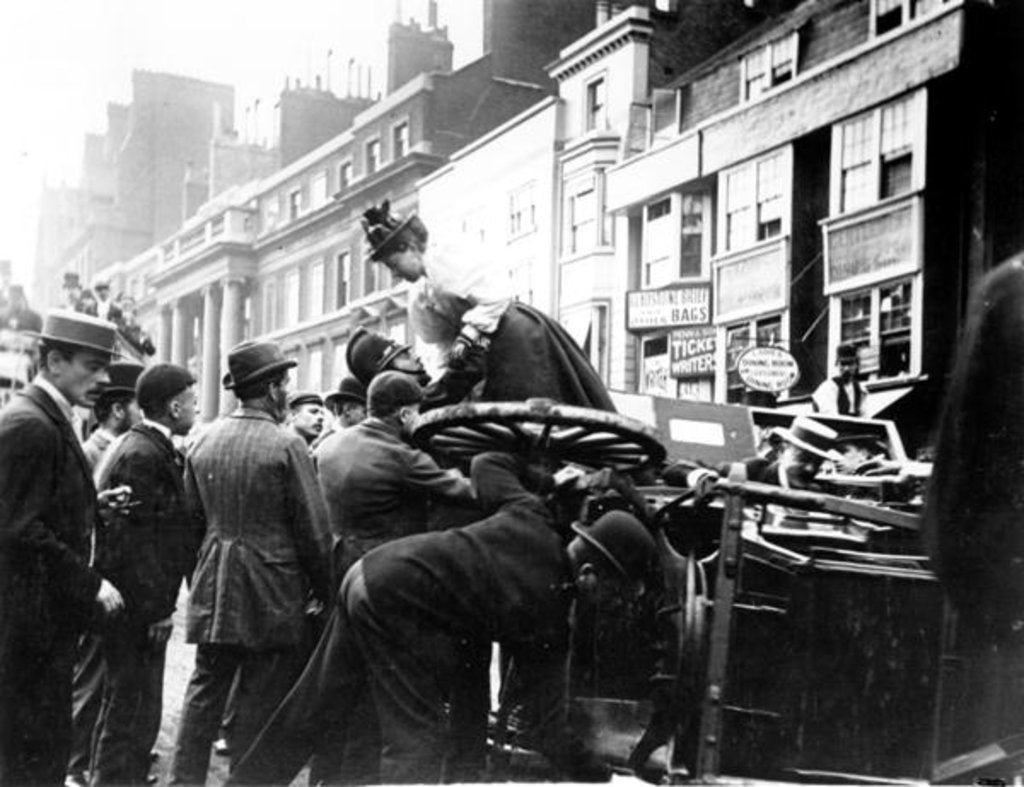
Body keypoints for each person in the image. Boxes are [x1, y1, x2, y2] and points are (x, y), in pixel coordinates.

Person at [230, 451, 657, 785]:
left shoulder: (532, 515)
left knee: (316, 701)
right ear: (588, 573)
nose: (610, 606)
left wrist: (553, 480)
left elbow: (488, 464)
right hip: (394, 602)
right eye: (612, 594)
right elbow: (546, 728)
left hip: (369, 573)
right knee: (417, 737)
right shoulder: (549, 614)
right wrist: (604, 776)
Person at [169, 340, 332, 784]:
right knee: (259, 697)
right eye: (285, 383)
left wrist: (203, 573)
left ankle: (183, 781)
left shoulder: (202, 440)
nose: (287, 390)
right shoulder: (287, 445)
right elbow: (314, 532)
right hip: (272, 589)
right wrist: (327, 591)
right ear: (274, 389)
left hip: (215, 585)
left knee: (205, 691)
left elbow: (191, 523)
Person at [311, 371, 476, 783]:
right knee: (389, 688)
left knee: (344, 681)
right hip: (385, 580)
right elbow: (465, 491)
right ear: (404, 413)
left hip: (340, 571)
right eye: (417, 412)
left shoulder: (329, 446)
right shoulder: (402, 457)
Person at [0, 309, 126, 785]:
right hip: (29, 625)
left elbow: (40, 504)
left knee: (42, 747)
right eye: (92, 366)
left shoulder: (46, 416)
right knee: (32, 753)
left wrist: (93, 505)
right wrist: (90, 582)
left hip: (40, 621)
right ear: (54, 361)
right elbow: (17, 527)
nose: (104, 378)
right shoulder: (31, 424)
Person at [360, 200, 614, 410]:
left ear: (411, 247)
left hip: (514, 334)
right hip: (487, 344)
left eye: (394, 265)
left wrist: (469, 335)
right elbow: (445, 343)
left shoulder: (444, 260)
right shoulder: (423, 293)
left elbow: (496, 295)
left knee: (533, 402)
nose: (395, 274)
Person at [89, 364, 199, 786]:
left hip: (134, 609)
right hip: (138, 613)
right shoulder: (144, 455)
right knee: (130, 713)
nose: (196, 408)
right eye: (192, 400)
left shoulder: (145, 448)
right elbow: (134, 546)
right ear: (173, 406)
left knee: (133, 712)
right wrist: (156, 610)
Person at [81, 361, 144, 471]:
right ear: (118, 410)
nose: (144, 416)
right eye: (140, 407)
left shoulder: (132, 449)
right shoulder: (87, 455)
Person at [812, 343, 866, 416]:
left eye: (850, 364)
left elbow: (864, 418)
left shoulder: (860, 390)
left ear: (857, 365)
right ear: (837, 364)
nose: (846, 368)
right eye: (843, 364)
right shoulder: (828, 388)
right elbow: (831, 418)